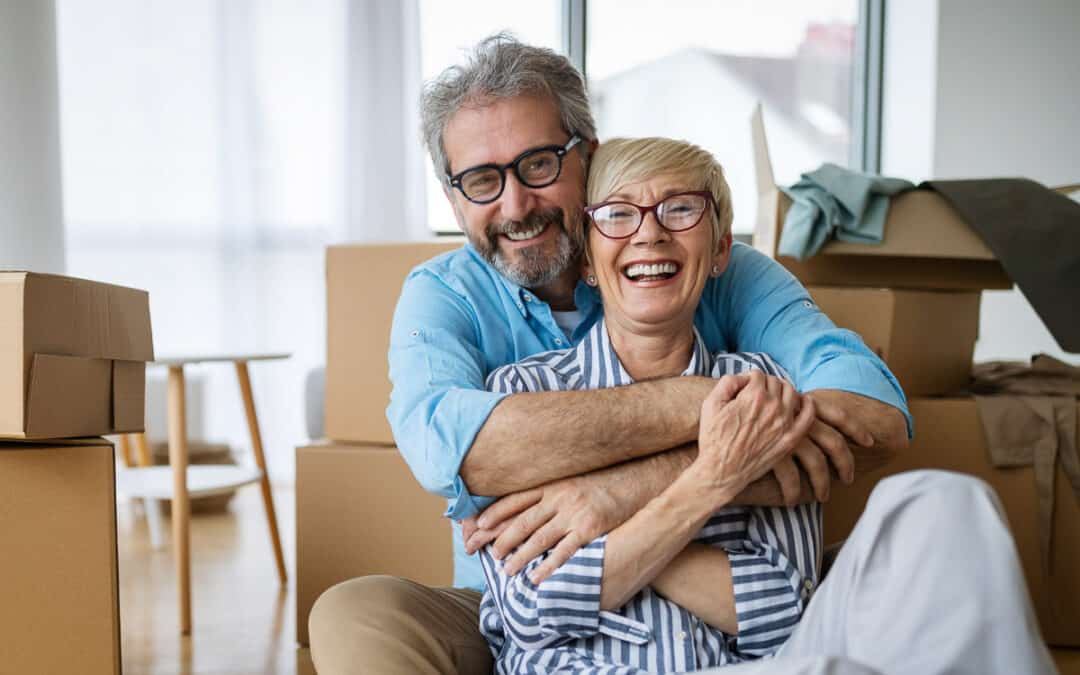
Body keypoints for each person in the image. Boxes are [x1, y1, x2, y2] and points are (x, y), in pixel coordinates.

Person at [309, 34, 911, 674]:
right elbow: (455, 455)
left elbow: (873, 416)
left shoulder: (713, 268)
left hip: (722, 603)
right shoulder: (444, 298)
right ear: (455, 198)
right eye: (482, 180)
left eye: (538, 164)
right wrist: (717, 414)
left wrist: (621, 494)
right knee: (355, 612)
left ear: (587, 158)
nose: (516, 206)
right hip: (522, 618)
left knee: (922, 540)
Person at [478, 136, 824, 673]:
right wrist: (711, 481)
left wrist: (610, 522)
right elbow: (532, 610)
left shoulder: (763, 390)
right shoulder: (517, 396)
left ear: (721, 251)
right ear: (587, 261)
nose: (649, 233)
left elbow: (787, 612)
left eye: (680, 209)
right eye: (617, 214)